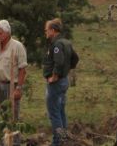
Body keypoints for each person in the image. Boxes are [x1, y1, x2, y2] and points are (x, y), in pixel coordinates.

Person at [42, 18, 74, 146]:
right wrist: (66, 71)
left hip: (56, 82)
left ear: (53, 30)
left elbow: (59, 61)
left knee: (54, 113)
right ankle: (63, 141)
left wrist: (55, 76)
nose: (45, 32)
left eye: (47, 30)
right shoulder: (66, 42)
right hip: (64, 80)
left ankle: (58, 142)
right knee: (60, 112)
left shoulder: (56, 44)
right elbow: (75, 58)